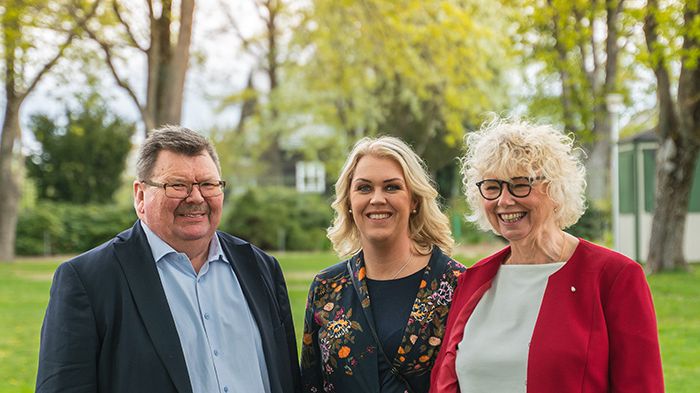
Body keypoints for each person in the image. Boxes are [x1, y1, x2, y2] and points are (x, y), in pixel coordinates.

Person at [36, 125, 301, 393]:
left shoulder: (260, 268)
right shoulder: (89, 281)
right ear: (140, 196)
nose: (196, 197)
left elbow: (287, 378)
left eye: (208, 184)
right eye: (178, 185)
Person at [430, 119, 664, 393]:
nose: (504, 201)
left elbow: (641, 386)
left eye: (520, 184)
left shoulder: (614, 278)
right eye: (492, 187)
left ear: (555, 189)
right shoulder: (473, 280)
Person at [300, 136, 466, 393]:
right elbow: (310, 385)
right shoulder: (326, 288)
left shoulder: (455, 283)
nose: (377, 199)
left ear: (414, 201)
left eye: (391, 187)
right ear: (349, 203)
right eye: (364, 188)